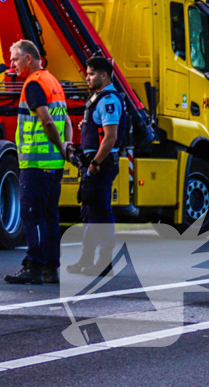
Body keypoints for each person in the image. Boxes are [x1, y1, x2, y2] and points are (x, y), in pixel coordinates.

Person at [4, 40, 72, 286]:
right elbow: (66, 121)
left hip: (35, 163)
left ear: (28, 59)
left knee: (32, 216)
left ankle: (33, 266)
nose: (12, 64)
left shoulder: (33, 84)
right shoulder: (53, 82)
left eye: (15, 59)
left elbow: (47, 121)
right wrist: (65, 147)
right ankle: (50, 270)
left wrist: (61, 144)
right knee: (50, 216)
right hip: (54, 164)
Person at [66, 56, 126, 277]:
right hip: (92, 164)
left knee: (100, 212)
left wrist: (94, 164)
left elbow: (110, 138)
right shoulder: (97, 98)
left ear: (103, 75)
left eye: (91, 73)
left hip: (100, 164)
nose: (87, 77)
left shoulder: (109, 100)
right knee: (88, 211)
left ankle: (104, 262)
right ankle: (86, 258)